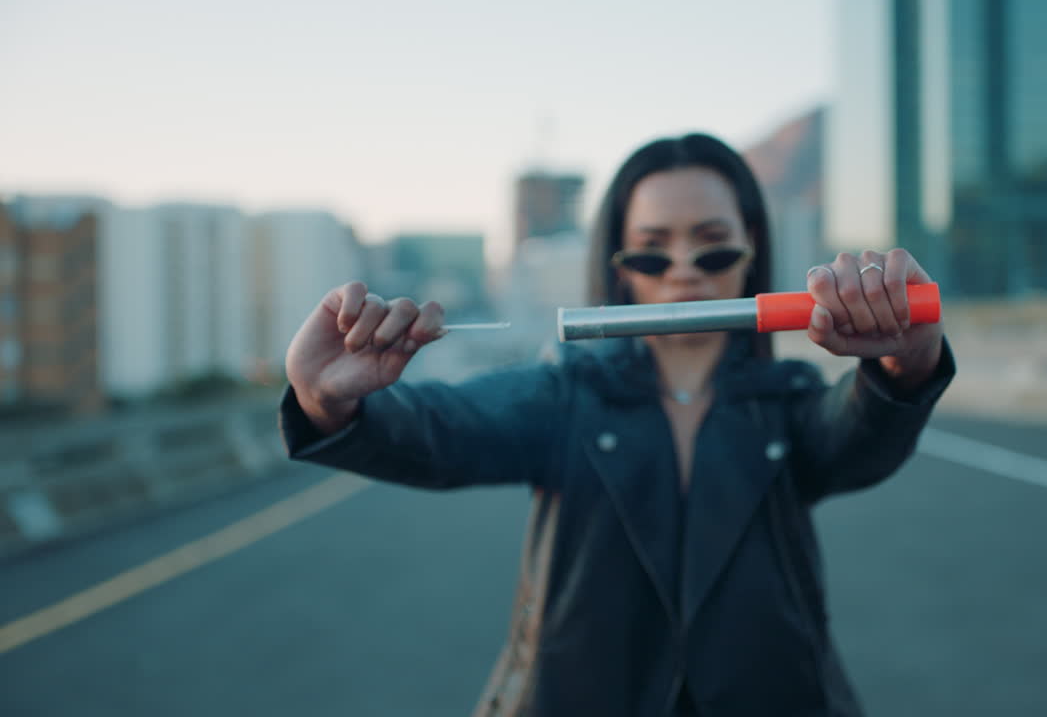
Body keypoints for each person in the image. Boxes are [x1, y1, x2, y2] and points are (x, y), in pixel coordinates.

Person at [280, 133, 955, 716]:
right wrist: (326, 398)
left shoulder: (790, 399)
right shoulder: (565, 395)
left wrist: (907, 362)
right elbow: (440, 428)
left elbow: (859, 438)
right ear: (620, 268)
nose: (683, 271)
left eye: (713, 249)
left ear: (753, 249)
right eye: (652, 253)